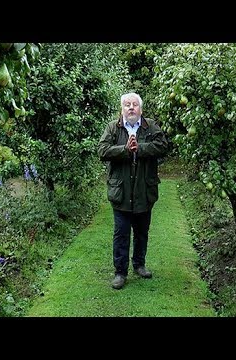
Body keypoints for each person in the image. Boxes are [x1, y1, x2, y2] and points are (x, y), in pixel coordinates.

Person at [97, 92, 168, 290]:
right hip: (121, 192)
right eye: (127, 104)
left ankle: (139, 264)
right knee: (121, 233)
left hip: (144, 191)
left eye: (134, 104)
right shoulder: (113, 127)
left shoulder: (150, 126)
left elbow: (163, 146)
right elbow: (102, 150)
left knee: (141, 232)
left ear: (140, 109)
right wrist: (125, 150)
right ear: (122, 109)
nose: (131, 108)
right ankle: (120, 272)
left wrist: (140, 148)